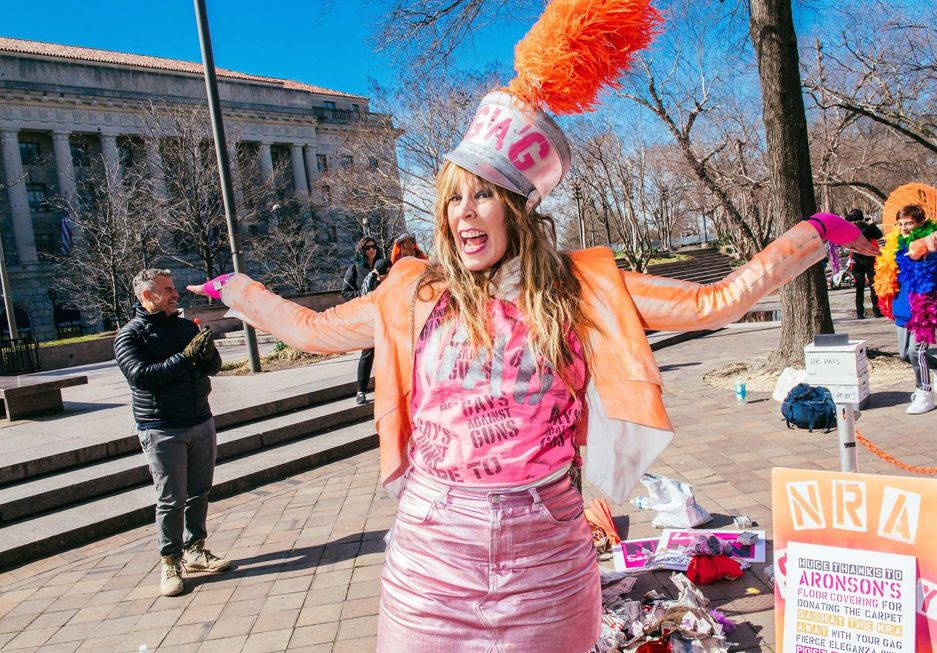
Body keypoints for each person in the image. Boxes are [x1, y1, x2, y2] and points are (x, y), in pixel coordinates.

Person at [187, 0, 877, 648]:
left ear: (515, 206)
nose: (463, 211)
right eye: (453, 197)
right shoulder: (415, 292)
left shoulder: (579, 290)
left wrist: (814, 234)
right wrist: (237, 290)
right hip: (431, 560)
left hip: (547, 556)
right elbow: (313, 328)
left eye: (482, 194)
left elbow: (712, 303)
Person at [114, 269, 231, 597]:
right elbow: (142, 377)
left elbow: (210, 368)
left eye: (174, 288)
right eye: (167, 290)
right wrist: (185, 357)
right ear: (147, 296)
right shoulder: (129, 336)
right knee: (170, 499)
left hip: (199, 420)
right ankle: (170, 561)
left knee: (199, 491)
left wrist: (209, 356)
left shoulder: (183, 327)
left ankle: (196, 549)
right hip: (161, 427)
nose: (174, 294)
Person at [874, 205, 937, 414]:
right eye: (900, 224)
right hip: (902, 306)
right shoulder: (896, 245)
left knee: (916, 351)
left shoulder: (931, 246)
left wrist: (921, 257)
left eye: (909, 223)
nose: (904, 228)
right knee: (904, 355)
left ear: (919, 223)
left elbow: (933, 278)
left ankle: (924, 394)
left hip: (923, 307)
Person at [343, 236, 380, 405]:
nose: (372, 250)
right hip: (367, 316)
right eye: (368, 247)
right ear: (361, 250)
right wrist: (364, 295)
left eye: (374, 247)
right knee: (368, 352)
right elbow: (345, 292)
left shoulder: (383, 266)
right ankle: (361, 390)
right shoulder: (355, 269)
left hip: (385, 314)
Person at [845, 208, 883, 318]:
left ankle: (860, 313)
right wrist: (872, 224)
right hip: (870, 260)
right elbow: (879, 235)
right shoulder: (867, 228)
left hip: (856, 262)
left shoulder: (849, 229)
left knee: (859, 289)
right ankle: (876, 311)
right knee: (873, 287)